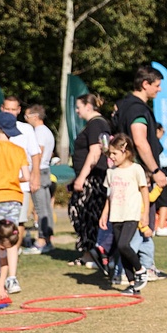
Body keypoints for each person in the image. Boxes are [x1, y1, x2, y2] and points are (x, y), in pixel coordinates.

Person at [0, 96, 41, 292]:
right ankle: (11, 277)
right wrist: (10, 178)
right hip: (13, 198)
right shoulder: (19, 151)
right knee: (11, 237)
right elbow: (26, 176)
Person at [113, 66, 167, 277]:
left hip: (124, 174)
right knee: (141, 224)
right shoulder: (137, 109)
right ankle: (132, 271)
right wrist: (155, 170)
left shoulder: (122, 105)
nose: (159, 90)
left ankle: (134, 267)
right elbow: (140, 140)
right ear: (145, 84)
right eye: (156, 85)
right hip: (140, 175)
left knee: (128, 224)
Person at [99, 134, 151, 296]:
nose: (111, 157)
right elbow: (110, 195)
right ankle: (132, 284)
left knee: (123, 245)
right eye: (110, 153)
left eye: (114, 153)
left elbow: (144, 192)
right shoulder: (111, 172)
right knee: (122, 251)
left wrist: (146, 214)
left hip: (131, 214)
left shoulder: (136, 169)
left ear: (125, 151)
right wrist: (104, 214)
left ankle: (141, 270)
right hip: (116, 215)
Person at [68, 94, 110, 270]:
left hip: (93, 178)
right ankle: (88, 253)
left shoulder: (96, 124)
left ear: (88, 106)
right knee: (84, 214)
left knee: (85, 213)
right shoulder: (97, 124)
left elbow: (95, 152)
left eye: (78, 107)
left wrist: (82, 177)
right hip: (92, 176)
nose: (77, 111)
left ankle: (94, 252)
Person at [22, 104, 56, 254]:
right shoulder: (45, 131)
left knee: (41, 208)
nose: (25, 119)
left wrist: (32, 174)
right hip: (43, 171)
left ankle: (42, 241)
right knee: (45, 208)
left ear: (35, 117)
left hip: (39, 171)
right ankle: (47, 239)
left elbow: (38, 153)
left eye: (27, 116)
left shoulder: (40, 132)